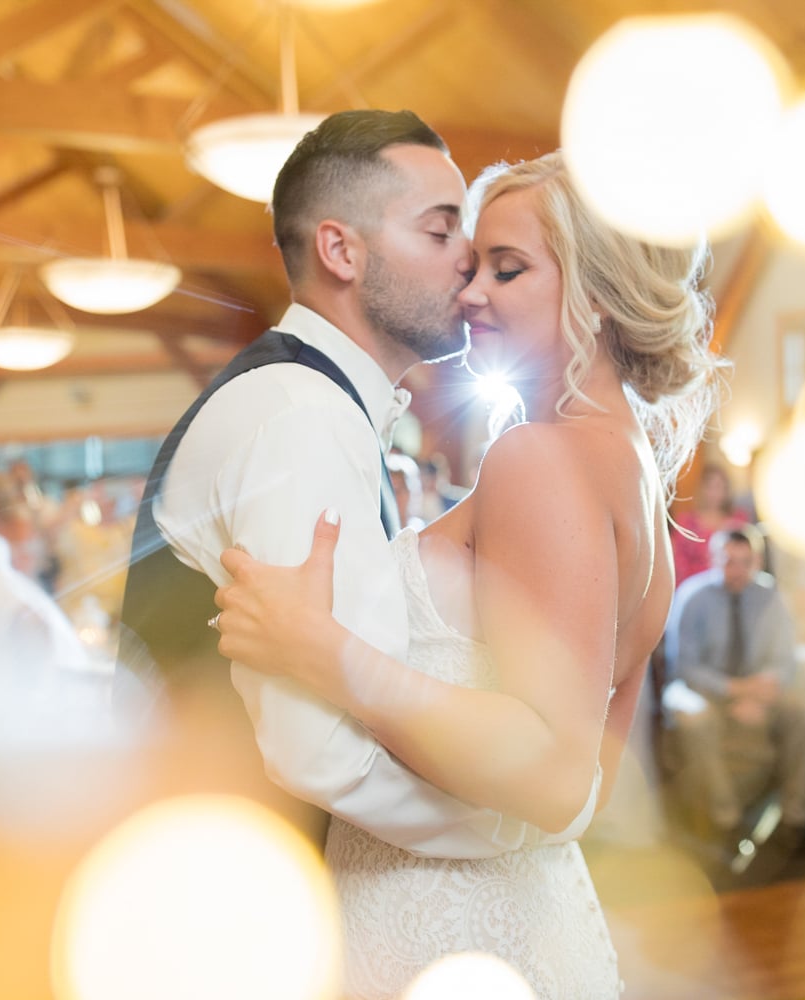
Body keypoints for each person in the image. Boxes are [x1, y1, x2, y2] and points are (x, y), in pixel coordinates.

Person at [212, 150, 722, 999]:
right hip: (531, 921)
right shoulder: (631, 472)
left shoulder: (538, 457)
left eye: (508, 269)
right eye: (474, 263)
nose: (471, 292)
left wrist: (320, 649)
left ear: (595, 290)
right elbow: (590, 788)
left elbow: (557, 777)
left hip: (445, 935)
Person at [117, 112, 587, 864]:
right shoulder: (302, 417)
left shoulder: (316, 405)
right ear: (341, 250)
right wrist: (516, 828)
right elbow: (319, 754)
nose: (467, 262)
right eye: (440, 233)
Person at [662, 526, 805, 860]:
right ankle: (726, 819)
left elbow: (785, 660)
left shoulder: (771, 596)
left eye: (746, 562)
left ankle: (794, 818)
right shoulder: (692, 597)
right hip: (701, 690)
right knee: (694, 717)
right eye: (729, 562)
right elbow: (683, 666)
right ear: (714, 559)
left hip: (756, 690)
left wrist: (762, 692)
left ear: (757, 560)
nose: (737, 570)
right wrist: (733, 691)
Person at [670, 461, 747, 587]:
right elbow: (679, 564)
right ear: (702, 489)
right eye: (710, 487)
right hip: (694, 587)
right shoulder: (686, 523)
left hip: (733, 587)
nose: (715, 493)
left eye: (719, 486)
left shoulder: (738, 520)